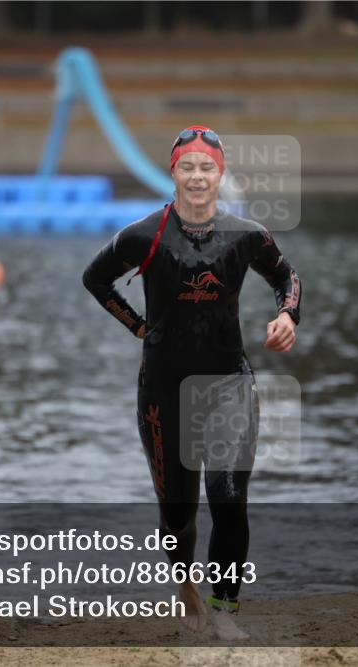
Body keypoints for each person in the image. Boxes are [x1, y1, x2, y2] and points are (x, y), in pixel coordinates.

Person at [82, 125, 301, 639]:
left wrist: (288, 315)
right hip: (163, 389)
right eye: (188, 167)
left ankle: (225, 610)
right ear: (174, 172)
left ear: (219, 174)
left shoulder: (246, 235)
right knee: (178, 515)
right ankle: (186, 589)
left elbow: (286, 276)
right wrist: (138, 326)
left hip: (229, 380)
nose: (198, 176)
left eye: (207, 167)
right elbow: (95, 279)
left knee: (227, 494)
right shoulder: (142, 234)